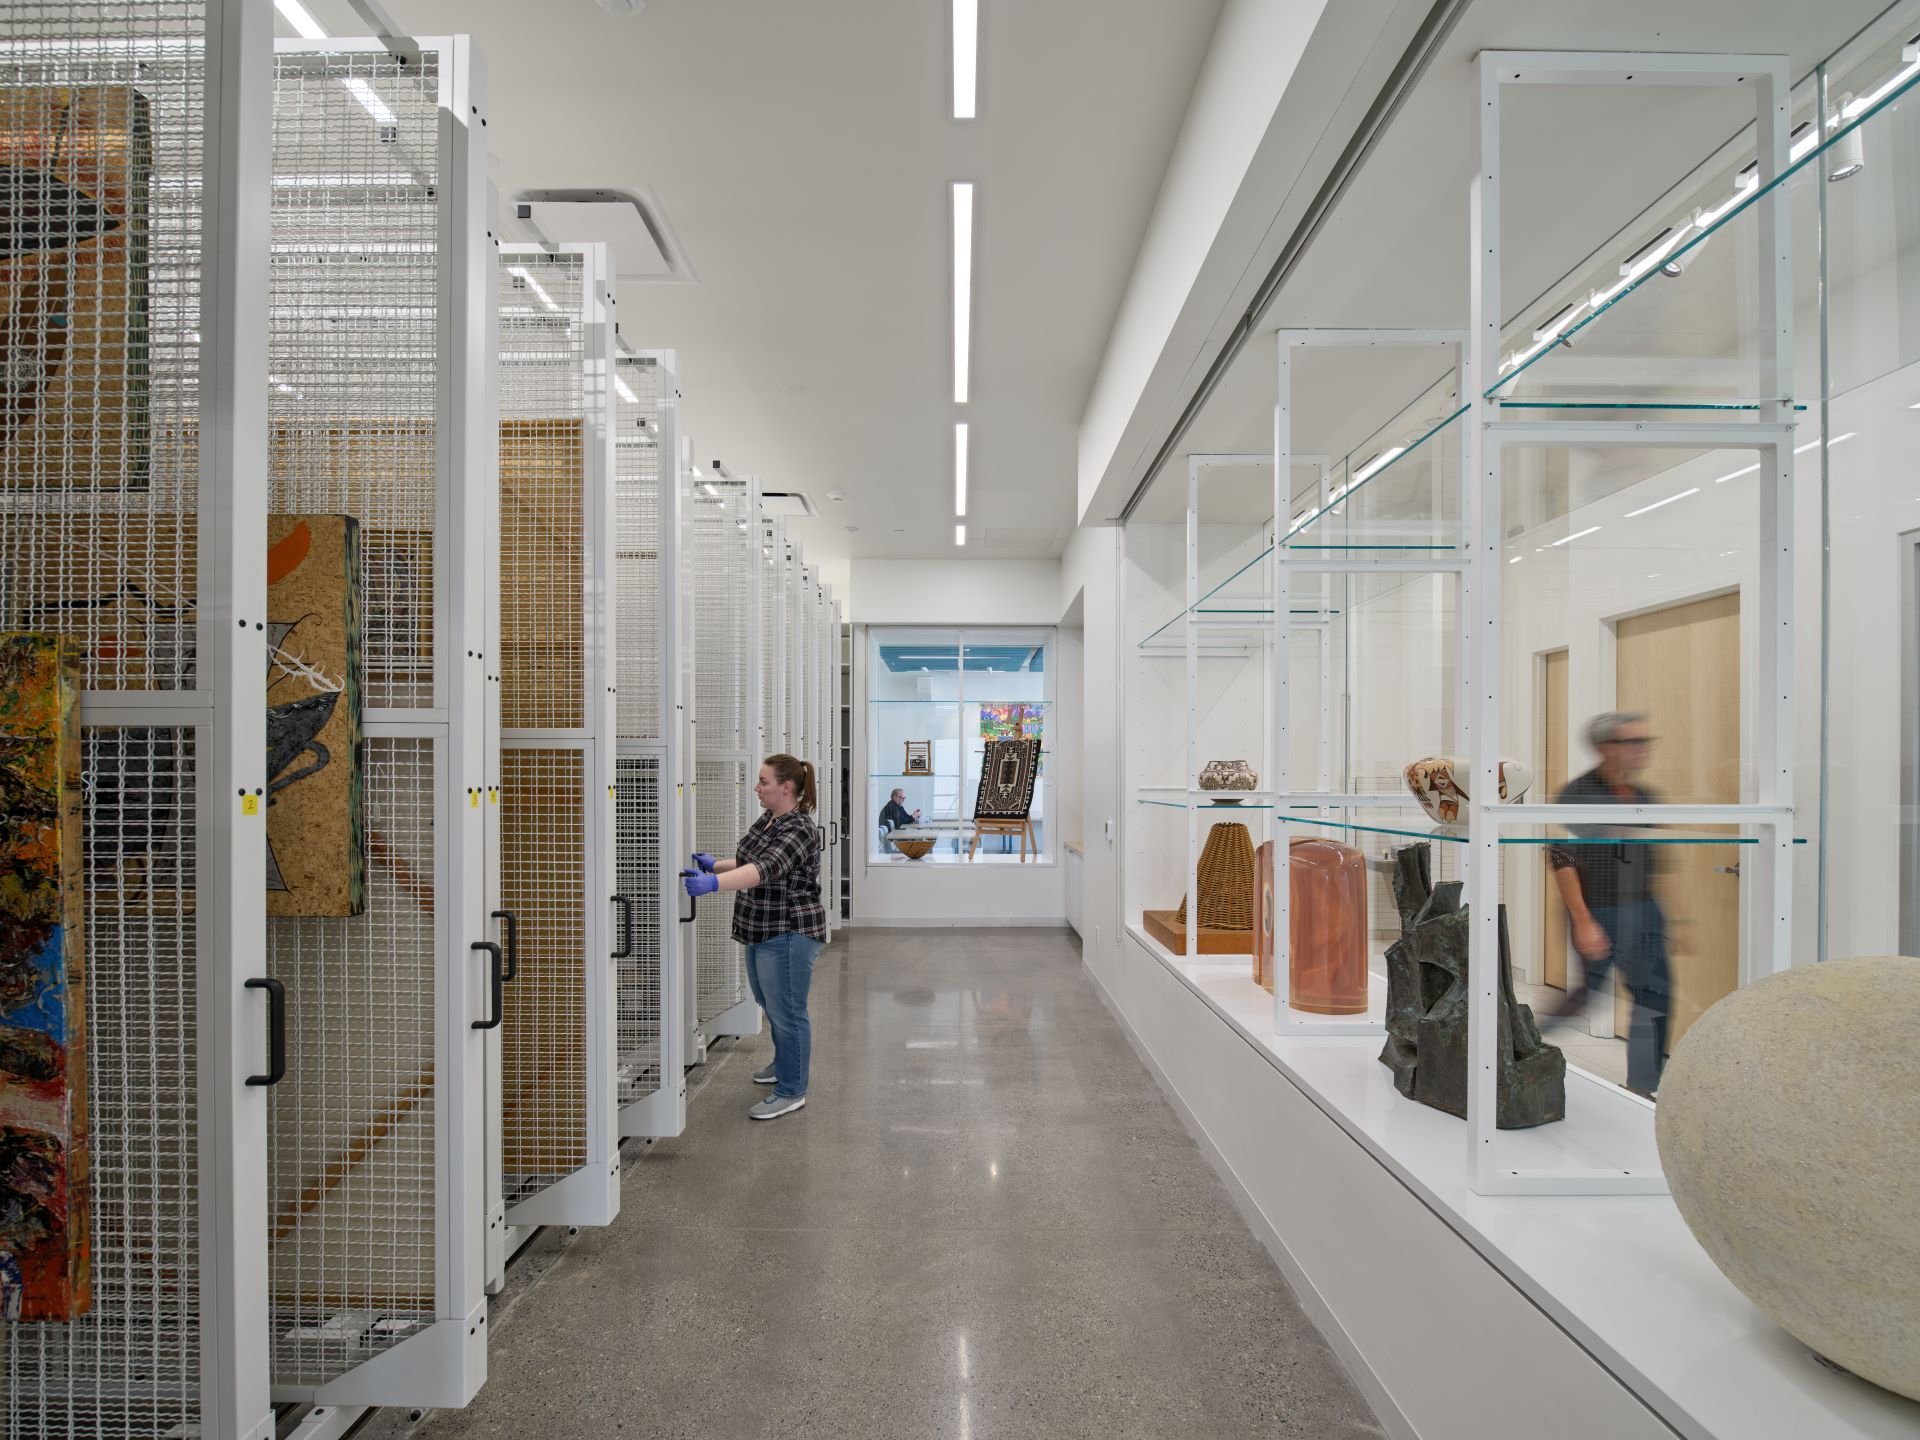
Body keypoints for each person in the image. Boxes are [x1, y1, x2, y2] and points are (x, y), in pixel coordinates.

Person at [682, 754, 827, 1120]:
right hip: (760, 927)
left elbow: (763, 869)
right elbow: (750, 859)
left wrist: (713, 883)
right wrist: (716, 865)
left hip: (789, 930)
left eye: (763, 782)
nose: (756, 788)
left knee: (788, 1011)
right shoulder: (770, 818)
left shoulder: (799, 828)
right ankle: (785, 1063)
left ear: (786, 787)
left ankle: (792, 1090)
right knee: (770, 1003)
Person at [1547, 711, 1671, 1100]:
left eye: (1644, 741)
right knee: (1587, 995)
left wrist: (1673, 917)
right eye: (1632, 742)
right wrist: (1583, 921)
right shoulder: (1578, 794)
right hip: (1598, 909)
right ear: (1605, 748)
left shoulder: (1645, 796)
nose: (1642, 749)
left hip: (1644, 908)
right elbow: (1562, 860)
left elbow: (1655, 859)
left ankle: (1642, 1087)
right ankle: (1522, 1040)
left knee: (1655, 994)